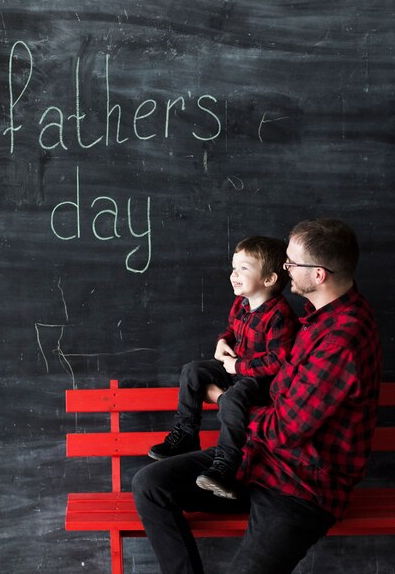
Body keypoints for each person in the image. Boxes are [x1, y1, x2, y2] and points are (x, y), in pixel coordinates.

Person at [132, 218, 382, 574]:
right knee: (150, 484)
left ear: (319, 275)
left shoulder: (342, 340)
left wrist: (221, 398)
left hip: (299, 486)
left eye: (291, 264)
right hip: (257, 458)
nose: (285, 269)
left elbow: (286, 429)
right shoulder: (316, 319)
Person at [148, 235, 299, 499]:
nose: (234, 274)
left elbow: (279, 360)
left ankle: (225, 466)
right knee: (192, 371)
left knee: (232, 399)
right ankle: (185, 434)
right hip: (234, 368)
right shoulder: (241, 303)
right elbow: (232, 330)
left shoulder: (279, 314)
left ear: (269, 279)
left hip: (261, 381)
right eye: (233, 267)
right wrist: (222, 341)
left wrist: (238, 365)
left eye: (244, 268)